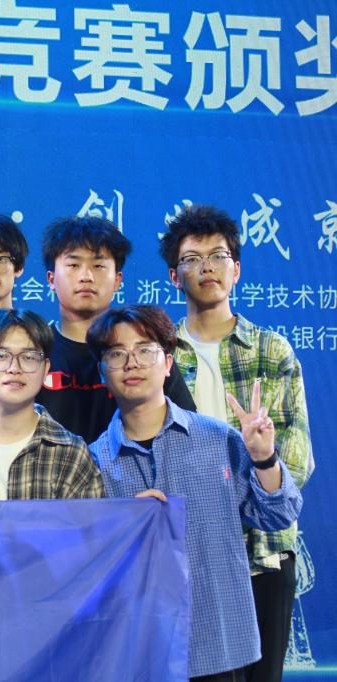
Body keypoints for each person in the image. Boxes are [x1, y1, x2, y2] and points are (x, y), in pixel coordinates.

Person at [86, 305, 302, 681]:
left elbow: (277, 514)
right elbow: (89, 568)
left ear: (168, 363)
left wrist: (264, 458)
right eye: (116, 353)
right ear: (103, 372)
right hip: (138, 651)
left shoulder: (218, 439)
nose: (132, 362)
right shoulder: (93, 462)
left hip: (218, 644)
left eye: (145, 350)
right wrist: (120, 528)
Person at [160, 204, 314, 682]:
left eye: (218, 256)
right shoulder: (158, 355)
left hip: (263, 552)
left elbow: (296, 461)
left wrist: (251, 473)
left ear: (237, 269)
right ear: (174, 276)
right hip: (187, 554)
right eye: (192, 259)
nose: (207, 267)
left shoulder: (272, 350)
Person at [37, 215, 195, 444]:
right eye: (73, 265)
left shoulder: (146, 351)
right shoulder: (33, 352)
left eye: (98, 266)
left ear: (117, 280)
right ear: (51, 279)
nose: (86, 276)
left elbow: (187, 429)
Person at [0, 309, 105, 500]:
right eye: (1, 355)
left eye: (29, 357)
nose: (14, 368)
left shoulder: (71, 454)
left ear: (46, 369)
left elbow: (90, 520)